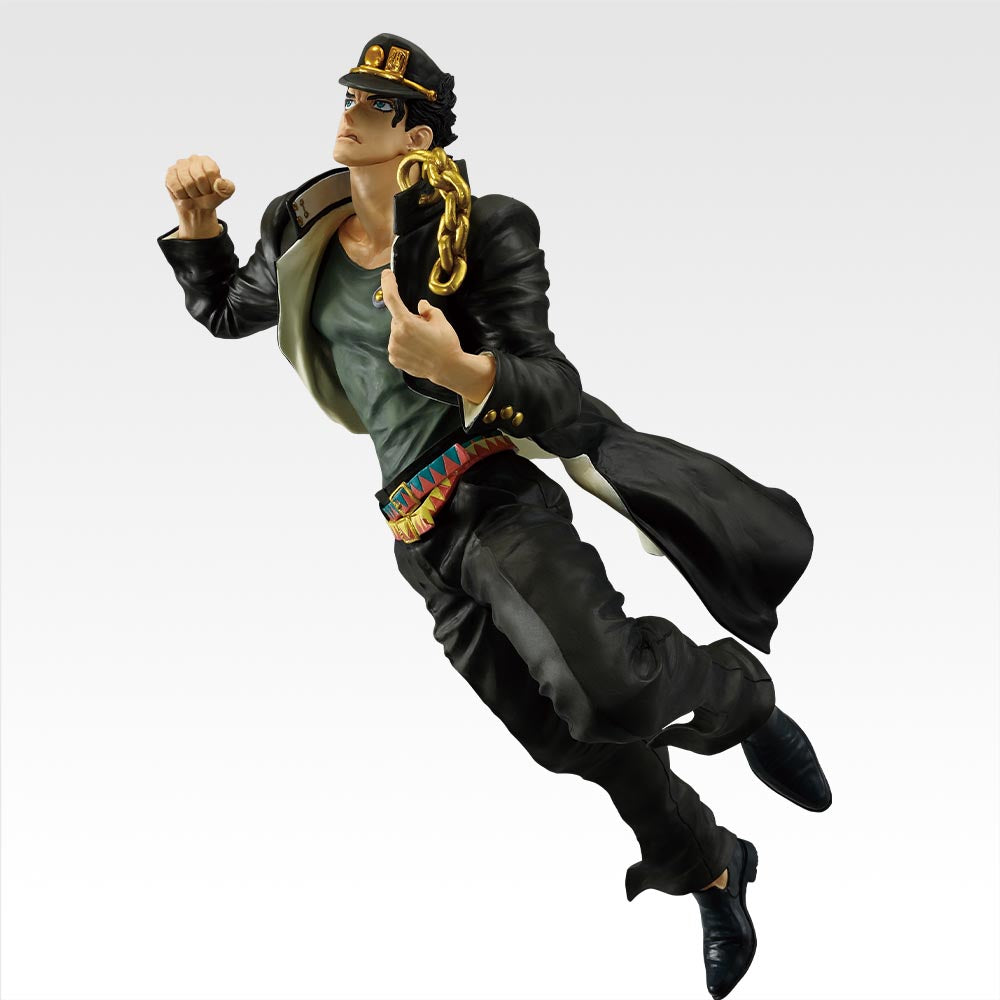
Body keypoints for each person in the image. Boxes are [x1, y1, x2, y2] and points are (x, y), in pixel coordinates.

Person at [158, 33, 830, 999]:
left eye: (376, 106)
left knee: (609, 696)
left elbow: (552, 384)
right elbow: (228, 310)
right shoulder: (302, 224)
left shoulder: (482, 228)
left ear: (417, 134)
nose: (350, 114)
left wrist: (463, 371)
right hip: (414, 530)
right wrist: (196, 225)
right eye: (350, 96)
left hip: (492, 495)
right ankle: (712, 865)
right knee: (567, 740)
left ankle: (739, 691)